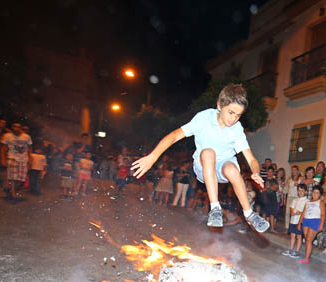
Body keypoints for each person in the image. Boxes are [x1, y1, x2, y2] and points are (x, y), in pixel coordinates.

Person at [131, 84, 269, 233]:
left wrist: (255, 172)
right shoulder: (204, 118)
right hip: (204, 166)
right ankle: (215, 208)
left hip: (223, 167)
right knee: (208, 152)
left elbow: (251, 158)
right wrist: (153, 156)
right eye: (231, 112)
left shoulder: (237, 129)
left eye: (238, 115)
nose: (233, 119)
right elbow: (175, 135)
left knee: (232, 170)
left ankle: (249, 214)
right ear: (219, 105)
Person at [1, 122, 32, 201]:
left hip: (23, 159)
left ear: (21, 128)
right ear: (12, 127)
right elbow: (3, 148)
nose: (16, 128)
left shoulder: (27, 137)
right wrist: (3, 159)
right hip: (12, 158)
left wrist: (30, 161)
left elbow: (30, 149)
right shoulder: (7, 136)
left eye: (18, 127)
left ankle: (13, 190)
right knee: (13, 177)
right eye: (14, 126)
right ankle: (13, 192)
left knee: (22, 178)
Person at [297, 185, 325, 264]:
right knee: (307, 240)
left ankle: (306, 258)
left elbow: (323, 214)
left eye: (317, 193)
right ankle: (307, 256)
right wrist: (299, 223)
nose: (315, 194)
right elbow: (303, 213)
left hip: (315, 221)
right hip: (306, 221)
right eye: (314, 192)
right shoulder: (308, 202)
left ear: (320, 195)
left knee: (309, 240)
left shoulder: (320, 202)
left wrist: (321, 225)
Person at [282, 183, 308, 258]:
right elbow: (291, 209)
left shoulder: (306, 201)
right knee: (292, 236)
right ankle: (290, 249)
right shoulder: (295, 200)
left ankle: (297, 252)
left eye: (302, 191)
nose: (300, 192)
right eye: (299, 191)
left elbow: (304, 212)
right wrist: (292, 212)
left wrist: (298, 213)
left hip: (300, 222)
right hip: (293, 221)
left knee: (299, 237)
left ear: (306, 192)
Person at [284, 165, 302, 230]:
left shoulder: (301, 179)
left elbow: (303, 187)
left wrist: (299, 185)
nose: (293, 171)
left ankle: (294, 228)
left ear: (298, 171)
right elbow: (286, 189)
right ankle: (286, 228)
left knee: (294, 214)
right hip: (289, 197)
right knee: (287, 213)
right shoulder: (289, 179)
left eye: (295, 170)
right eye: (292, 170)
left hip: (297, 198)